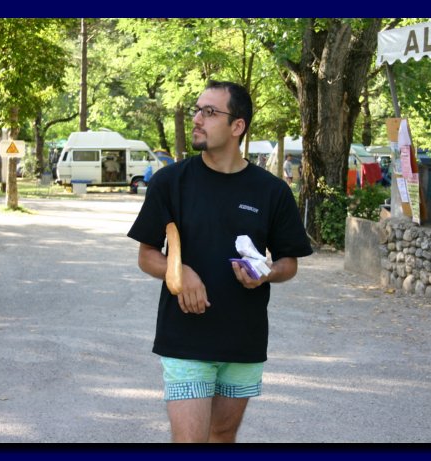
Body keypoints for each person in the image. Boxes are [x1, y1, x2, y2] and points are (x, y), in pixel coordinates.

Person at [127, 80, 313, 443]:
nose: (197, 119)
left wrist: (265, 273)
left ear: (237, 126)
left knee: (222, 435)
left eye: (209, 112)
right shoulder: (170, 182)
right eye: (198, 110)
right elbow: (147, 255)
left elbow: (289, 262)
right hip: (184, 336)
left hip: (242, 340)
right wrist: (179, 272)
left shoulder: (272, 191)